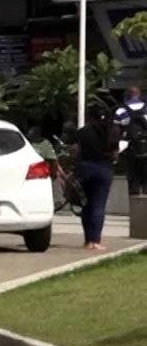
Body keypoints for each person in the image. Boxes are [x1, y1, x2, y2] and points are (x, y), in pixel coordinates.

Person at [75, 104, 119, 251]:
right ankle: (96, 241)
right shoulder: (111, 131)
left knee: (86, 205)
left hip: (85, 168)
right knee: (98, 205)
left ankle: (87, 240)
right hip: (103, 168)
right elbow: (115, 153)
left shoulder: (83, 131)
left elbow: (77, 150)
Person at [112, 85, 147, 195]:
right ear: (139, 95)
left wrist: (116, 150)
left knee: (133, 180)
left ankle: (135, 208)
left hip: (131, 150)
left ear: (127, 95)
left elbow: (116, 133)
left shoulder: (121, 111)